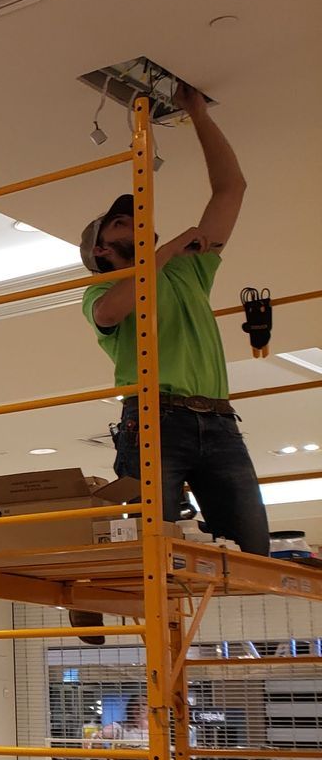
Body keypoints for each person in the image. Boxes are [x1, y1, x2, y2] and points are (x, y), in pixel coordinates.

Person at [77, 83, 267, 556]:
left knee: (252, 551)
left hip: (219, 419)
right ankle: (94, 578)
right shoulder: (100, 289)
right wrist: (166, 249)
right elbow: (110, 311)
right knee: (149, 549)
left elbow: (231, 189)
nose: (137, 221)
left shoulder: (186, 270)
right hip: (154, 418)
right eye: (122, 224)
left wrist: (197, 114)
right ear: (102, 250)